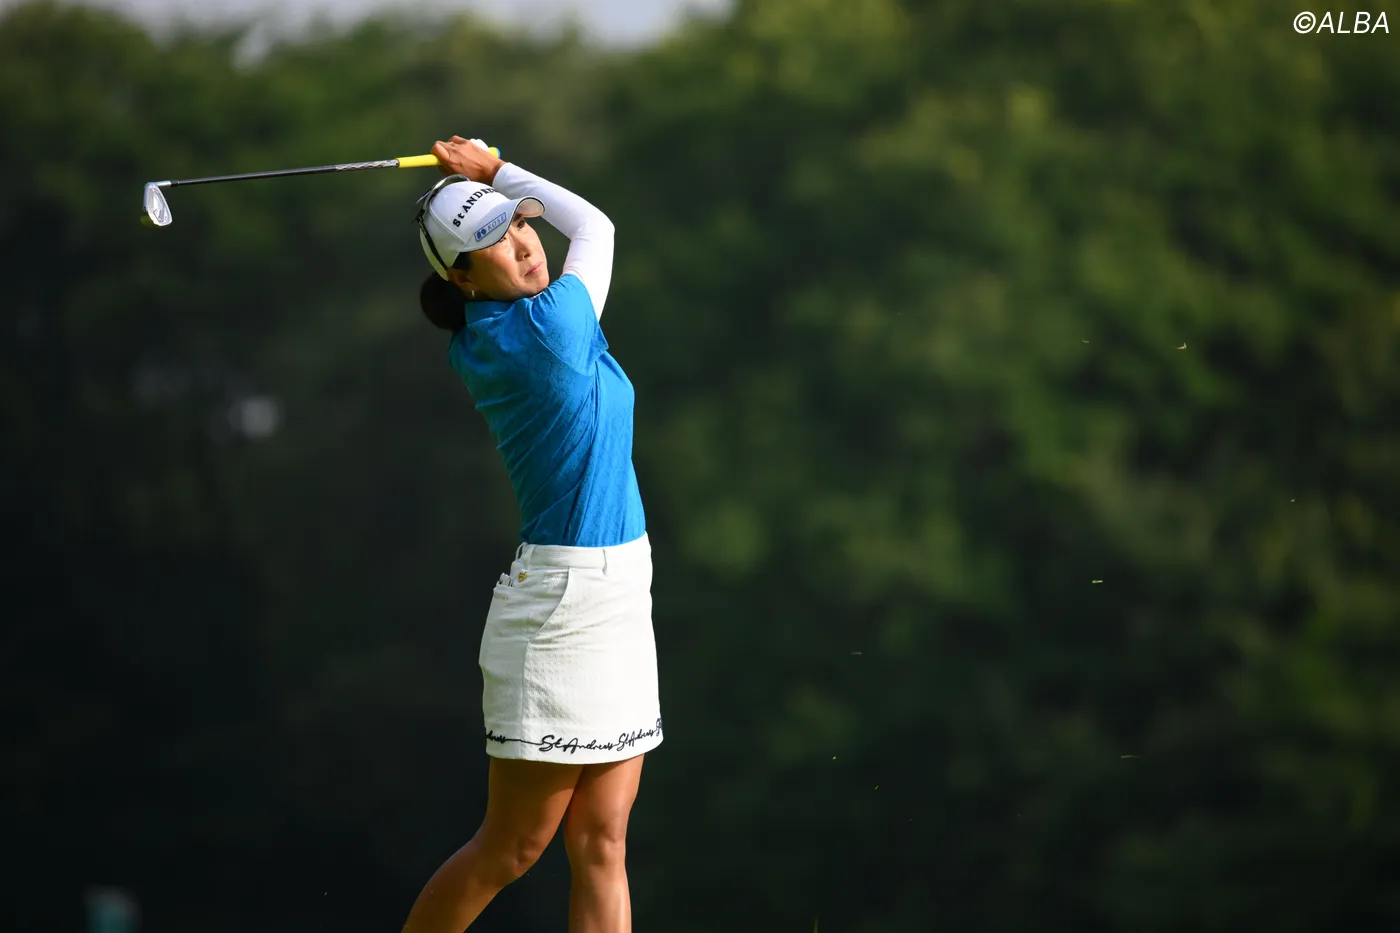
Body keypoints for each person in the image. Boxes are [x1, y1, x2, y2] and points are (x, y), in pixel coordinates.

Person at [400, 136, 662, 933]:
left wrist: (491, 188)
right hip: (561, 608)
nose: (523, 244)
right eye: (494, 239)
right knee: (512, 848)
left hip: (620, 591)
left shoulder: (514, 324)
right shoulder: (548, 330)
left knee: (602, 841)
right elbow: (597, 227)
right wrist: (496, 172)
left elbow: (577, 239)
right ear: (462, 278)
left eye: (520, 223)